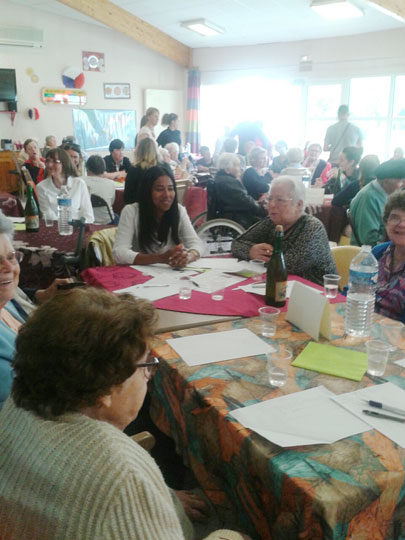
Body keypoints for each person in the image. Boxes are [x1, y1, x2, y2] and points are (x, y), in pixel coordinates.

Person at [0, 287, 244, 540]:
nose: (148, 376)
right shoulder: (123, 478)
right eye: (145, 366)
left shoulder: (20, 401)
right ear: (105, 389)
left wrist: (157, 498)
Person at [0, 211, 72, 410]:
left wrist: (42, 295)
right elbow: (22, 407)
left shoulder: (8, 299)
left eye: (11, 257)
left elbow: (19, 294)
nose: (8, 267)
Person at [231, 176, 336, 285]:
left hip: (316, 291)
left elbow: (288, 265)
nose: (271, 205)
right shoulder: (271, 222)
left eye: (279, 200)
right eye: (269, 199)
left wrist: (257, 258)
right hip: (280, 286)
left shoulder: (312, 227)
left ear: (298, 204)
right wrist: (250, 251)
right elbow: (236, 243)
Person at [113, 166, 204, 266]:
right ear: (147, 192)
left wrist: (187, 257)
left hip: (169, 272)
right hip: (139, 273)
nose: (167, 195)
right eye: (159, 189)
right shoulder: (131, 212)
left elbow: (197, 244)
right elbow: (119, 253)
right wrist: (160, 258)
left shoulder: (179, 211)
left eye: (170, 189)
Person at [350, 159, 405, 246]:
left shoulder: (386, 193)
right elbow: (368, 240)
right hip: (372, 251)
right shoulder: (369, 198)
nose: (403, 185)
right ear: (385, 182)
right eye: (401, 181)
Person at [37, 147, 94, 223]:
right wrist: (65, 226)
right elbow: (48, 216)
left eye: (54, 161)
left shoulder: (79, 184)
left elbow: (88, 215)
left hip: (78, 226)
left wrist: (78, 225)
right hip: (55, 227)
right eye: (47, 161)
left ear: (64, 163)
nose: (49, 165)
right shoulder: (41, 187)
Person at [373, 191, 405, 322]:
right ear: (386, 222)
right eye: (395, 217)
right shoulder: (378, 252)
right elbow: (351, 290)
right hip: (361, 324)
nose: (401, 224)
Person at [213, 153, 266, 229]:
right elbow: (245, 202)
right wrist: (261, 208)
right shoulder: (229, 182)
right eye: (237, 165)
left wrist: (256, 202)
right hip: (238, 217)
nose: (241, 168)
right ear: (227, 170)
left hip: (231, 213)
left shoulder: (221, 179)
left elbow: (242, 199)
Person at [124, 138, 170, 205]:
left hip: (140, 208)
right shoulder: (166, 167)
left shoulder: (134, 170)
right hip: (163, 206)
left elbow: (127, 197)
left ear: (139, 151)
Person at [84, 155, 116, 224]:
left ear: (87, 169)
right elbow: (111, 203)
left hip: (86, 222)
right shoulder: (111, 184)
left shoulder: (80, 181)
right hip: (107, 222)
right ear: (104, 170)